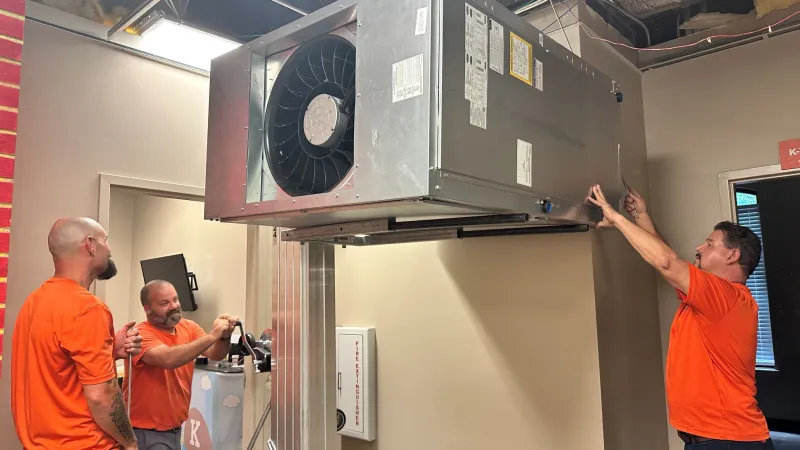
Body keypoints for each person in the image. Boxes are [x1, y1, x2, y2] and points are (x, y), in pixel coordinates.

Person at [588, 185, 773, 449]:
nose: (699, 247)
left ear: (732, 256)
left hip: (728, 441)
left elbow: (667, 262)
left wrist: (616, 218)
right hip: (710, 439)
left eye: (709, 244)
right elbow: (668, 264)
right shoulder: (709, 298)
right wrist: (641, 217)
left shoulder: (728, 298)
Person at [11, 217, 143, 450]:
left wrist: (111, 351)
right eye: (106, 241)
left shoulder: (34, 302)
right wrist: (130, 442)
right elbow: (102, 397)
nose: (109, 249)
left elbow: (56, 368)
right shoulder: (88, 308)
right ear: (90, 244)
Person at [123, 279, 238, 450]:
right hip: (145, 431)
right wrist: (213, 335)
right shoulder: (140, 335)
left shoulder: (189, 327)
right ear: (147, 308)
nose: (173, 306)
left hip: (174, 429)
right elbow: (169, 359)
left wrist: (224, 337)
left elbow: (216, 354)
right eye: (164, 303)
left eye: (175, 299)